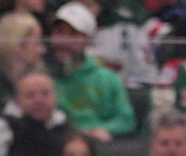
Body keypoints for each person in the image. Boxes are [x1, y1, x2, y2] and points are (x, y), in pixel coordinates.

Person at [46, 4, 136, 141]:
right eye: (59, 32)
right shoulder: (43, 78)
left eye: (73, 34)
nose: (63, 40)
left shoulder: (108, 78)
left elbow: (126, 120)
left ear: (87, 40)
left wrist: (104, 130)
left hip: (99, 146)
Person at [3, 71, 70, 156]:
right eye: (30, 95)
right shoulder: (4, 127)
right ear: (17, 100)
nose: (39, 100)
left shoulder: (68, 129)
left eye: (45, 94)